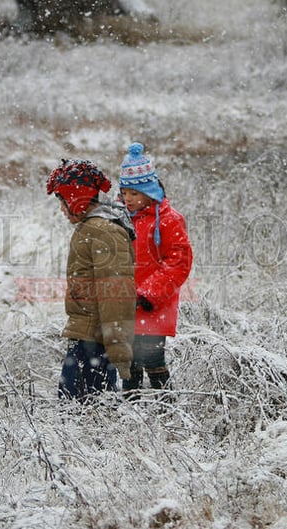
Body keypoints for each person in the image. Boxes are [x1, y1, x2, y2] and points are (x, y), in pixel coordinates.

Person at [46, 159, 136, 401]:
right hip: (85, 339)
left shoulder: (103, 232)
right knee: (74, 414)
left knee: (84, 415)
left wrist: (118, 349)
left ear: (76, 199)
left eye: (63, 202)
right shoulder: (90, 229)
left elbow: (116, 294)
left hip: (95, 343)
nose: (62, 210)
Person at [119, 143, 193, 392]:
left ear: (150, 192)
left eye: (134, 193)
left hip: (154, 302)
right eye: (124, 192)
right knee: (128, 358)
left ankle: (166, 406)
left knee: (151, 357)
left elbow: (178, 262)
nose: (127, 199)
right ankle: (132, 407)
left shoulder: (169, 220)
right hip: (125, 300)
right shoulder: (122, 218)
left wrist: (149, 293)